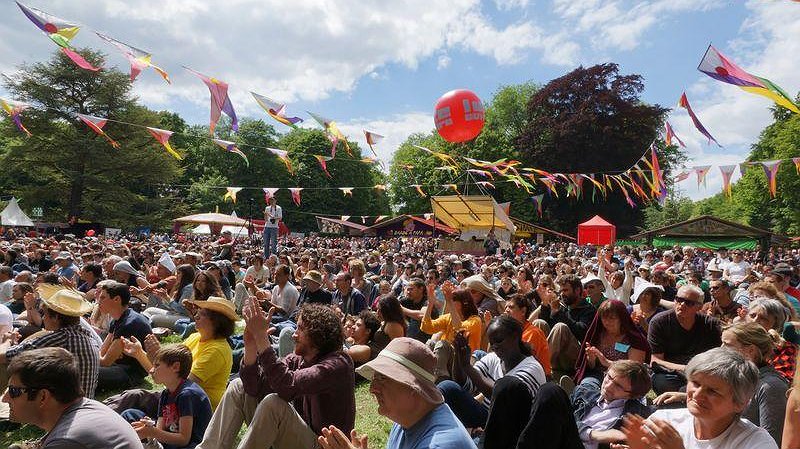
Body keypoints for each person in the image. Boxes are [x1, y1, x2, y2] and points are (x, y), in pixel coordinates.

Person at [196, 301, 355, 449]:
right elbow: (253, 387)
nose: (294, 335)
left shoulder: (338, 364)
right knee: (239, 386)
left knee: (275, 404)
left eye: (300, 329)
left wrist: (262, 338)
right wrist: (251, 345)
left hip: (323, 445)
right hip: (297, 439)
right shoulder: (297, 360)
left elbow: (287, 386)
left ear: (317, 333)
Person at [318, 337, 476, 449]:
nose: (372, 388)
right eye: (374, 378)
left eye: (383, 378)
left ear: (414, 387)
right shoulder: (406, 418)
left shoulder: (441, 444)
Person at [656, 322, 788, 446]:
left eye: (727, 345)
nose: (721, 349)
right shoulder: (664, 421)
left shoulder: (771, 386)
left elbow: (773, 437)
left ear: (750, 351)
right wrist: (686, 396)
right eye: (695, 383)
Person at [623, 347, 778, 449]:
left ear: (740, 403)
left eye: (713, 391)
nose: (697, 394)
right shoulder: (664, 422)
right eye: (695, 383)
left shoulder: (755, 443)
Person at [2, 347, 142, 448]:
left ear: (43, 396)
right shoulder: (85, 408)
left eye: (14, 391)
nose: (5, 398)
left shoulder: (66, 441)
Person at [439, 316, 546, 448]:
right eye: (492, 343)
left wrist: (467, 367)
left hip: (512, 428)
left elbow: (504, 396)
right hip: (488, 417)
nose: (494, 347)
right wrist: (458, 356)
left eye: (499, 341)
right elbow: (466, 385)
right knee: (448, 387)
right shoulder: (493, 358)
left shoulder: (532, 368)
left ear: (515, 337)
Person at [124, 296, 235, 410]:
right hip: (178, 400)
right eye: (197, 312)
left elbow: (180, 385)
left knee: (133, 399)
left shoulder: (217, 350)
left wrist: (157, 355)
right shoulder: (195, 337)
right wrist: (139, 353)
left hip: (194, 409)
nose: (196, 316)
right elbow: (163, 374)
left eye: (202, 314)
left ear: (216, 321)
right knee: (132, 397)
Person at [0, 286, 100, 399]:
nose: (43, 318)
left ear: (56, 317)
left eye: (44, 314)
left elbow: (3, 356)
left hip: (62, 409)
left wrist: (7, 340)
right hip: (82, 402)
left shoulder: (59, 338)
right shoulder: (86, 335)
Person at [123, 344, 212, 449]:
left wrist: (152, 432)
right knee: (130, 414)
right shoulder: (166, 393)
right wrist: (148, 427)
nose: (151, 370)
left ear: (175, 367)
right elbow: (161, 430)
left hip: (191, 445)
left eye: (157, 365)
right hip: (170, 441)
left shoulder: (187, 394)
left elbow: (184, 439)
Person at [648, 284, 721, 394]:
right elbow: (656, 360)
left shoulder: (710, 325)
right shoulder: (660, 322)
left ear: (699, 307)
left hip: (703, 372)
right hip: (673, 373)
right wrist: (685, 368)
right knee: (661, 381)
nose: (682, 304)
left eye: (689, 303)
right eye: (679, 300)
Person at [572, 360, 653, 449]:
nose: (608, 387)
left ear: (632, 395)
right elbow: (561, 420)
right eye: (609, 377)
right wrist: (593, 434)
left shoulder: (637, 416)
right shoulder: (583, 394)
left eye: (618, 386)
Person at [574, 299, 649, 389]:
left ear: (621, 318)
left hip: (622, 378)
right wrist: (591, 359)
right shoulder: (597, 335)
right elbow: (592, 366)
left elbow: (635, 370)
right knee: (587, 386)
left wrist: (607, 362)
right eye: (604, 318)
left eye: (612, 318)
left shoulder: (634, 339)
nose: (607, 322)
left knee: (609, 390)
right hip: (597, 375)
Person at [535, 274, 597, 377]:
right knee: (539, 323)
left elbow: (581, 332)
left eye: (566, 290)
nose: (562, 294)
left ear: (577, 290)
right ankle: (533, 364)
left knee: (561, 327)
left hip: (576, 356)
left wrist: (559, 313)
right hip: (558, 355)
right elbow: (546, 325)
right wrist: (545, 304)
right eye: (561, 291)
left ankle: (540, 369)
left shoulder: (588, 310)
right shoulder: (563, 307)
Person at [97, 280, 153, 392]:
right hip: (118, 366)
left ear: (117, 299)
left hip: (130, 373)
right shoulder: (117, 319)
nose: (98, 301)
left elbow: (105, 361)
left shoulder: (128, 323)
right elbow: (103, 351)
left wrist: (91, 356)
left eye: (103, 298)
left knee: (84, 372)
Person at [420, 282, 483, 380]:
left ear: (464, 303)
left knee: (442, 344)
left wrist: (449, 301)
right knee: (431, 343)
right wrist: (430, 304)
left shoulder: (475, 320)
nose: (449, 301)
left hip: (464, 364)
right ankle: (422, 373)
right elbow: (426, 327)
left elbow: (459, 330)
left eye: (453, 299)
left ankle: (439, 378)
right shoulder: (448, 318)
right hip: (447, 360)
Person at [503, 294, 552, 377]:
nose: (506, 310)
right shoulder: (511, 332)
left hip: (535, 378)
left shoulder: (533, 333)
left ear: (523, 311)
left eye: (511, 307)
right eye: (506, 307)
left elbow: (516, 361)